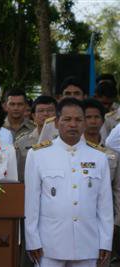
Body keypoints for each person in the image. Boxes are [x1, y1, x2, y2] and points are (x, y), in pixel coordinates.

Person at [25, 98, 113, 267]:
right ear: (57, 123)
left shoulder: (99, 156)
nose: (73, 124)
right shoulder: (38, 155)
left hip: (88, 243)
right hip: (49, 244)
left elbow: (105, 205)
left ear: (85, 123)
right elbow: (31, 203)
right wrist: (32, 240)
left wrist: (105, 242)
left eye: (78, 119)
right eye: (67, 119)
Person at [83, 98, 120, 264]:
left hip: (103, 220)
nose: (92, 121)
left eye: (96, 117)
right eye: (88, 117)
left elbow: (117, 190)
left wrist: (116, 224)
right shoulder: (73, 150)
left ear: (103, 119)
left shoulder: (112, 153)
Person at [15, 95, 57, 182]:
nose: (45, 114)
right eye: (41, 111)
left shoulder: (63, 139)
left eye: (50, 110)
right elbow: (18, 172)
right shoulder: (22, 141)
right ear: (33, 116)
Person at [38, 77, 87, 143]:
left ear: (85, 96)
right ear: (61, 97)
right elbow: (42, 151)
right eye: (68, 93)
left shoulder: (94, 120)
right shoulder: (50, 123)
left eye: (76, 93)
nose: (72, 97)